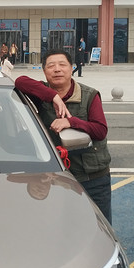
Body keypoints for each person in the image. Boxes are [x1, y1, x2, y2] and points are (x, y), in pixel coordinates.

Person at [14, 49, 112, 222]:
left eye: (62, 65)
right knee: (64, 225)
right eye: (51, 66)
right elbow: (20, 81)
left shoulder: (89, 95)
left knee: (99, 226)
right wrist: (53, 97)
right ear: (44, 71)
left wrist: (71, 122)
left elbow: (100, 130)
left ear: (72, 68)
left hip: (93, 178)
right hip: (59, 177)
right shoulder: (42, 94)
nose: (57, 69)